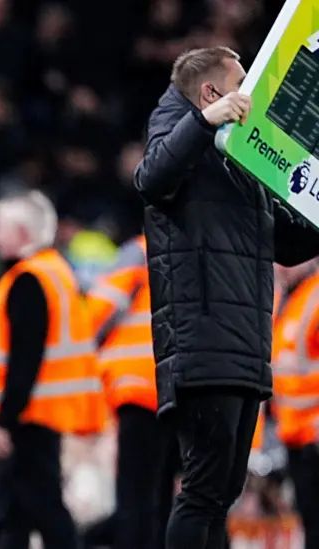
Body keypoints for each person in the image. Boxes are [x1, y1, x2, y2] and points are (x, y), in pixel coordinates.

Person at [134, 46, 319, 549]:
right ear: (211, 93)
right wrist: (202, 122)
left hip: (243, 345)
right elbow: (151, 177)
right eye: (242, 86)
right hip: (204, 342)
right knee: (203, 491)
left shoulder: (239, 157)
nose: (252, 97)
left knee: (221, 493)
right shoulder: (179, 134)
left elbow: (286, 243)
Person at [0, 190, 104, 549]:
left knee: (42, 509)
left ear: (22, 233)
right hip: (42, 415)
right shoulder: (53, 272)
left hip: (28, 417)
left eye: (0, 228)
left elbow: (24, 360)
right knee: (14, 511)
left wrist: (3, 422)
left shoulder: (29, 279)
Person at [83, 234, 177, 549]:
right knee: (163, 493)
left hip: (138, 384)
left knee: (134, 495)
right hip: (182, 389)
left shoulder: (141, 249)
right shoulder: (199, 249)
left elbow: (100, 309)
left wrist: (84, 352)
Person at [270, 260, 319, 548]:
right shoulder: (285, 298)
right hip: (293, 431)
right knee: (309, 520)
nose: (282, 265)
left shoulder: (314, 296)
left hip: (314, 430)